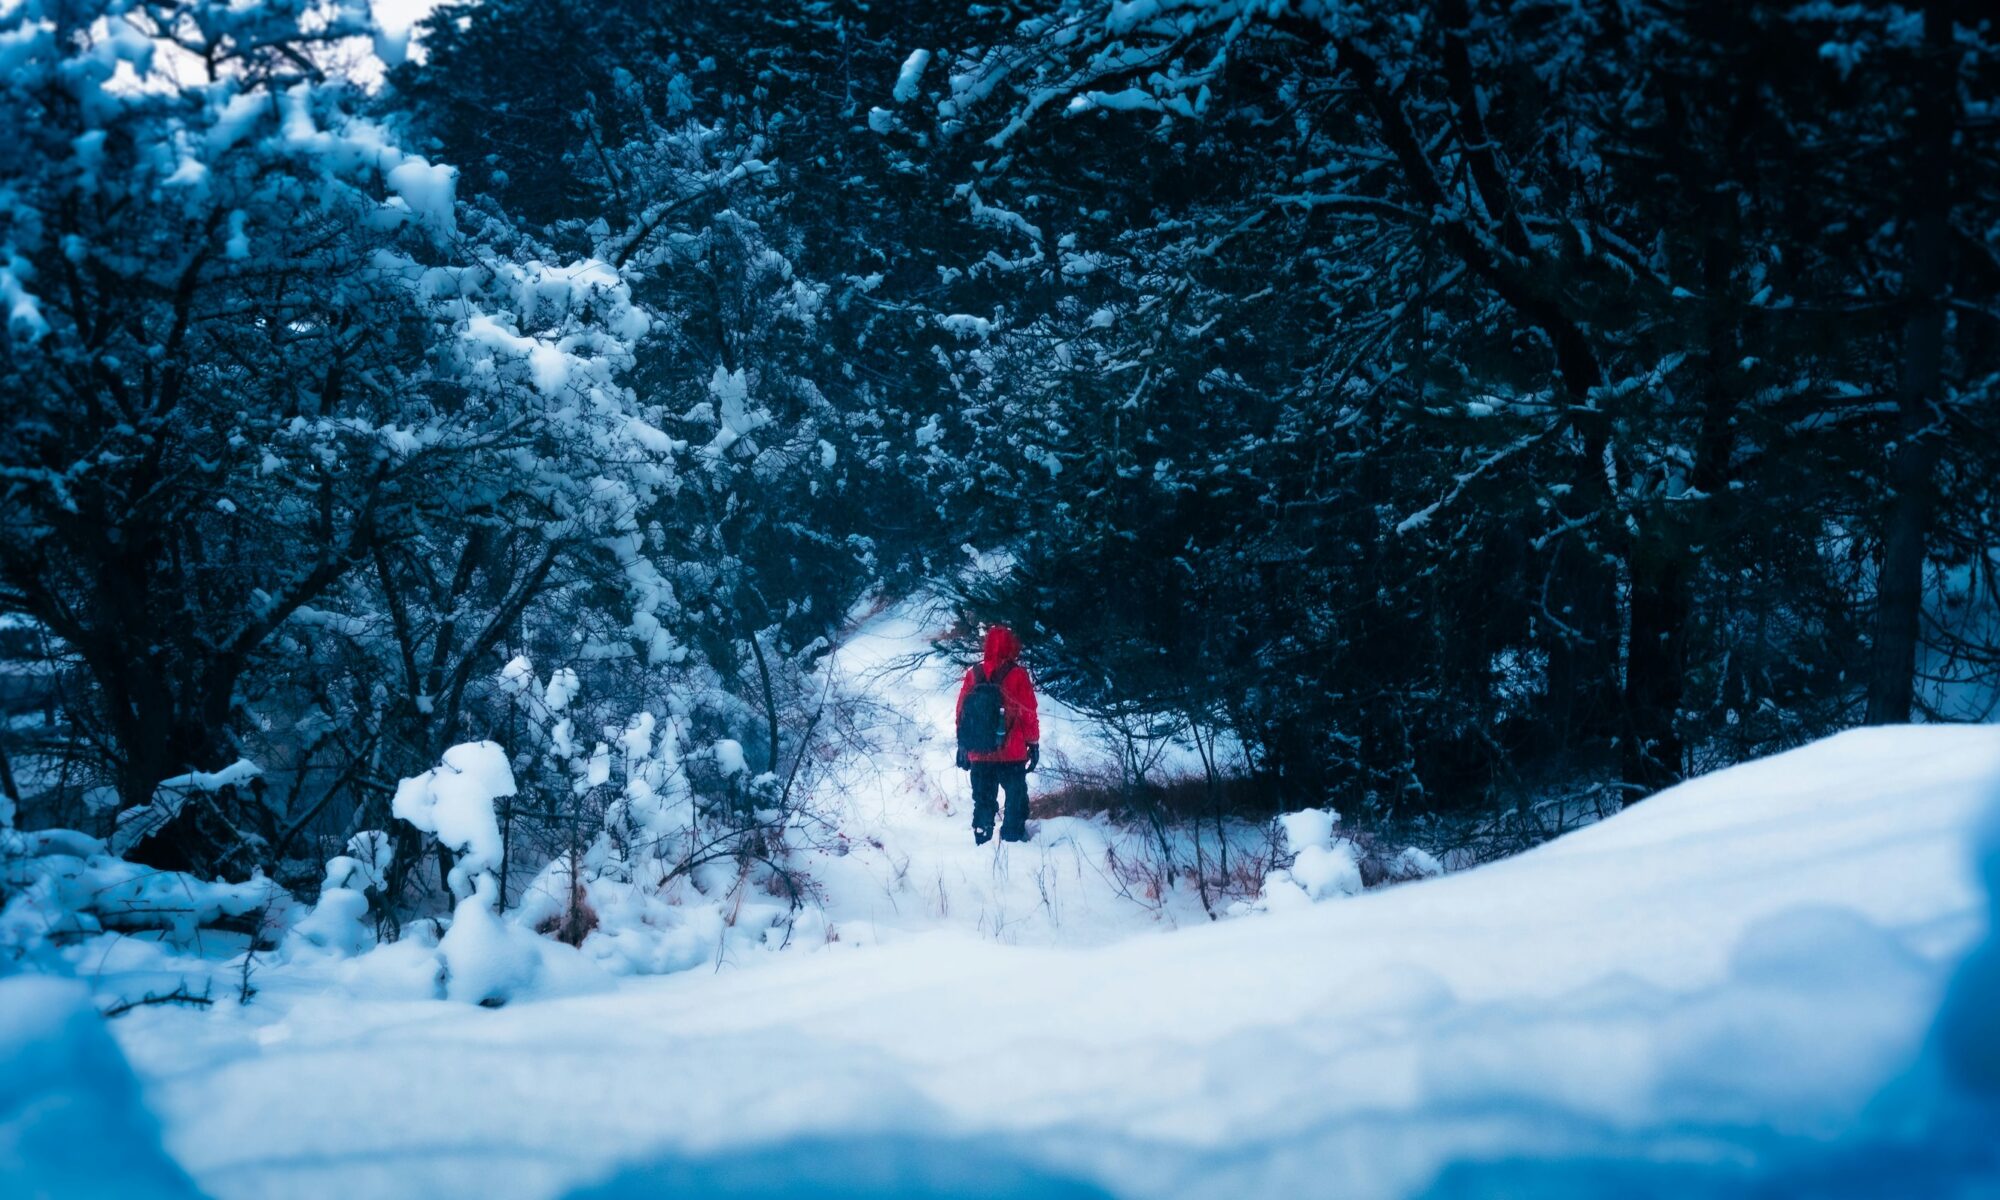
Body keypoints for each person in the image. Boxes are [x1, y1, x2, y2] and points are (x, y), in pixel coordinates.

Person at [953, 625, 1041, 844]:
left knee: (983, 801)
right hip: (1012, 754)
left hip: (980, 751)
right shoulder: (1018, 674)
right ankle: (1013, 839)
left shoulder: (974, 674)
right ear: (1012, 646)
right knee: (1015, 799)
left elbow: (961, 711)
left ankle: (982, 839)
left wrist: (963, 744)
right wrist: (1033, 742)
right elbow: (1028, 712)